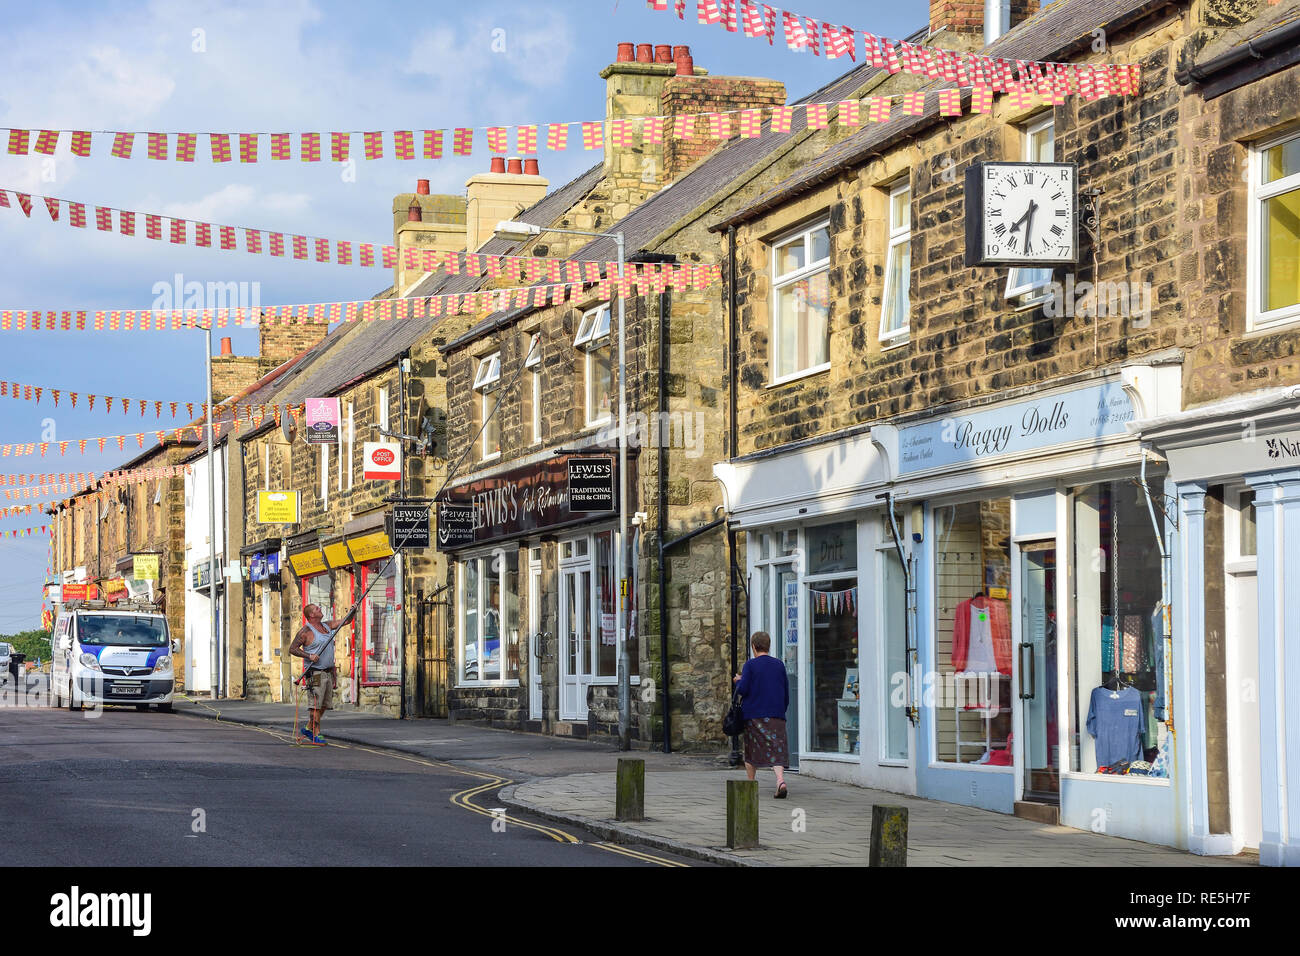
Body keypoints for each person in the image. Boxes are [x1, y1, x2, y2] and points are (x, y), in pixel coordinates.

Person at [733, 631, 791, 798]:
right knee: (777, 749)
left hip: (754, 715)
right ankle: (780, 781)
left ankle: (751, 785)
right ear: (768, 645)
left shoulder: (750, 665)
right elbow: (785, 691)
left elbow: (743, 690)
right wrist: (782, 709)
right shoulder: (779, 665)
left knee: (751, 750)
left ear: (753, 646)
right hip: (776, 713)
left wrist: (739, 680)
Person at [289, 603, 356, 745]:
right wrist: (308, 655)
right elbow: (293, 649)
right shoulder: (306, 632)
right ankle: (316, 734)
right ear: (311, 615)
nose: (320, 609)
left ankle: (308, 728)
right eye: (317, 609)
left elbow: (347, 621)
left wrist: (353, 610)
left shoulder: (327, 626)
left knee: (325, 704)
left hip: (327, 672)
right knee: (315, 705)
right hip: (315, 674)